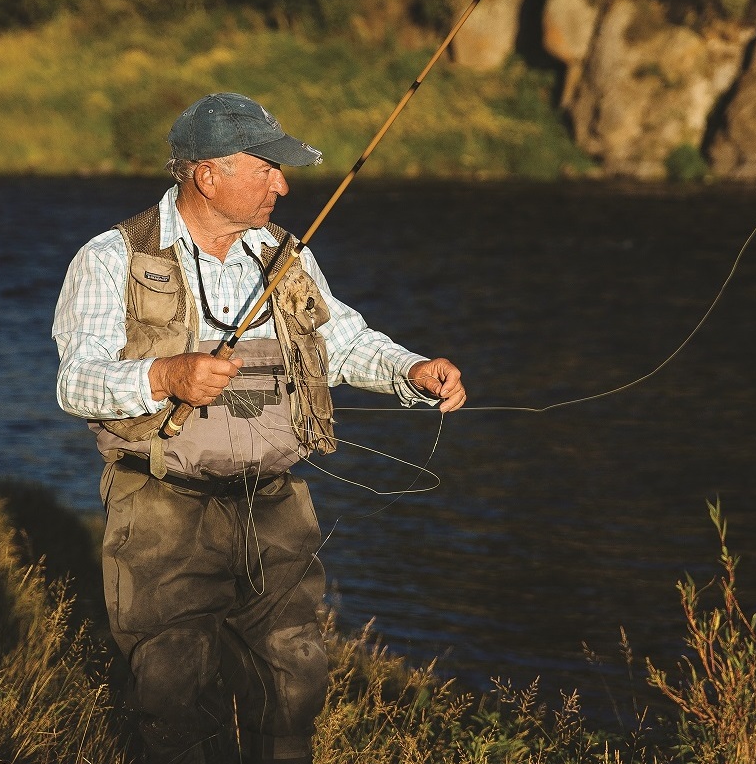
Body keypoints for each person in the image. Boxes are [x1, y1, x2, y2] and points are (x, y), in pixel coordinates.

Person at [52, 93, 465, 764]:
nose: (282, 182)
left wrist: (411, 370)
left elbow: (345, 341)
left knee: (293, 684)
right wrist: (165, 376)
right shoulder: (111, 257)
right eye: (266, 167)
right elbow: (77, 381)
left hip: (275, 506)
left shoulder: (284, 252)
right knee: (171, 693)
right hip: (160, 508)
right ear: (206, 175)